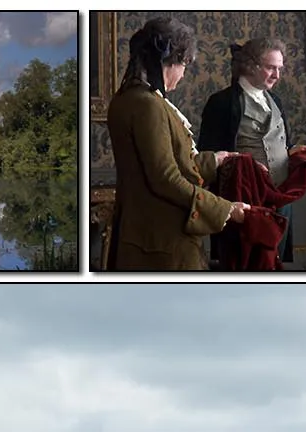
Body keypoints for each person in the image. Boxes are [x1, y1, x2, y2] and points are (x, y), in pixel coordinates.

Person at [106, 16, 248, 270]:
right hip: (161, 242)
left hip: (143, 235)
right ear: (167, 62)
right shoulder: (148, 104)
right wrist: (224, 208)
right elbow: (165, 177)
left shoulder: (127, 98)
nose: (182, 74)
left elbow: (162, 161)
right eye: (183, 65)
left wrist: (213, 160)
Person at [200, 38, 294, 264]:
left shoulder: (276, 101)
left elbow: (283, 144)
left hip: (280, 196)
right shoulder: (222, 103)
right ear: (251, 66)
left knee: (275, 264)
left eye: (280, 68)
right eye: (271, 67)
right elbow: (208, 155)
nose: (277, 75)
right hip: (244, 201)